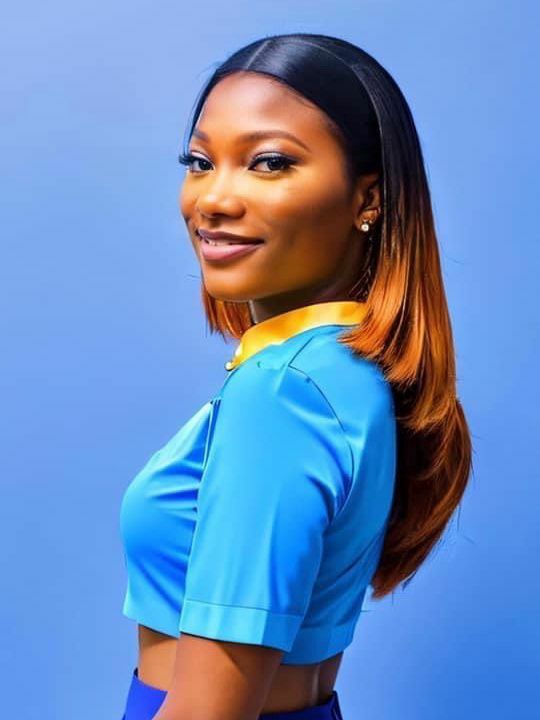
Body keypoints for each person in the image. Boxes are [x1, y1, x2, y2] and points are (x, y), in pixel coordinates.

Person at [119, 32, 473, 720]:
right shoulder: (345, 371)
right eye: (200, 162)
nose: (214, 199)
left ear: (367, 198)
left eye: (270, 163)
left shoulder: (283, 391)